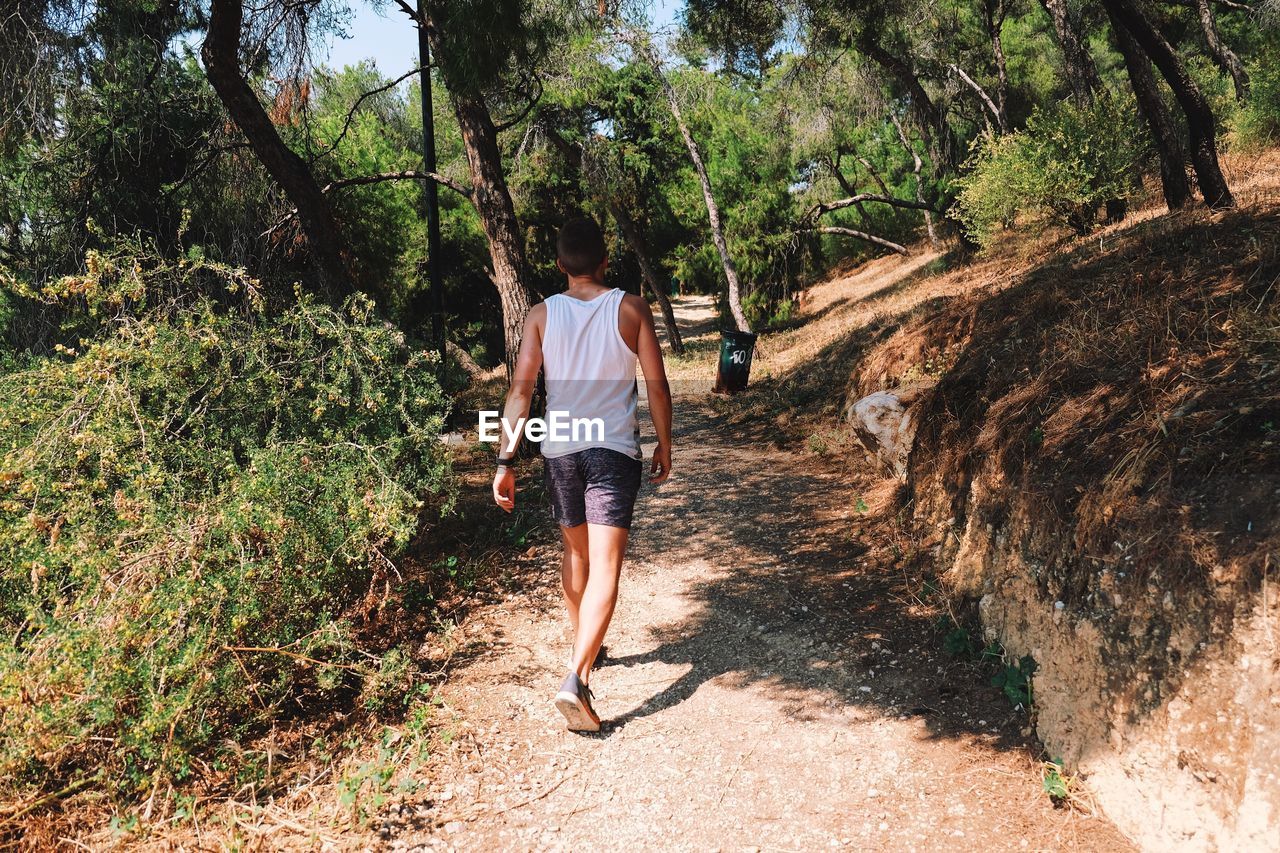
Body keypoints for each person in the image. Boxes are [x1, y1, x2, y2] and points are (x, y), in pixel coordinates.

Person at [492, 217, 673, 732]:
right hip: (611, 451)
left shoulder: (542, 316)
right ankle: (576, 676)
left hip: (561, 454)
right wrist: (664, 441)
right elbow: (657, 388)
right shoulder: (631, 308)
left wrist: (505, 461)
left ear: (559, 266)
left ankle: (584, 645)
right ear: (605, 260)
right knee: (607, 568)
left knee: (577, 553)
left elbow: (521, 393)